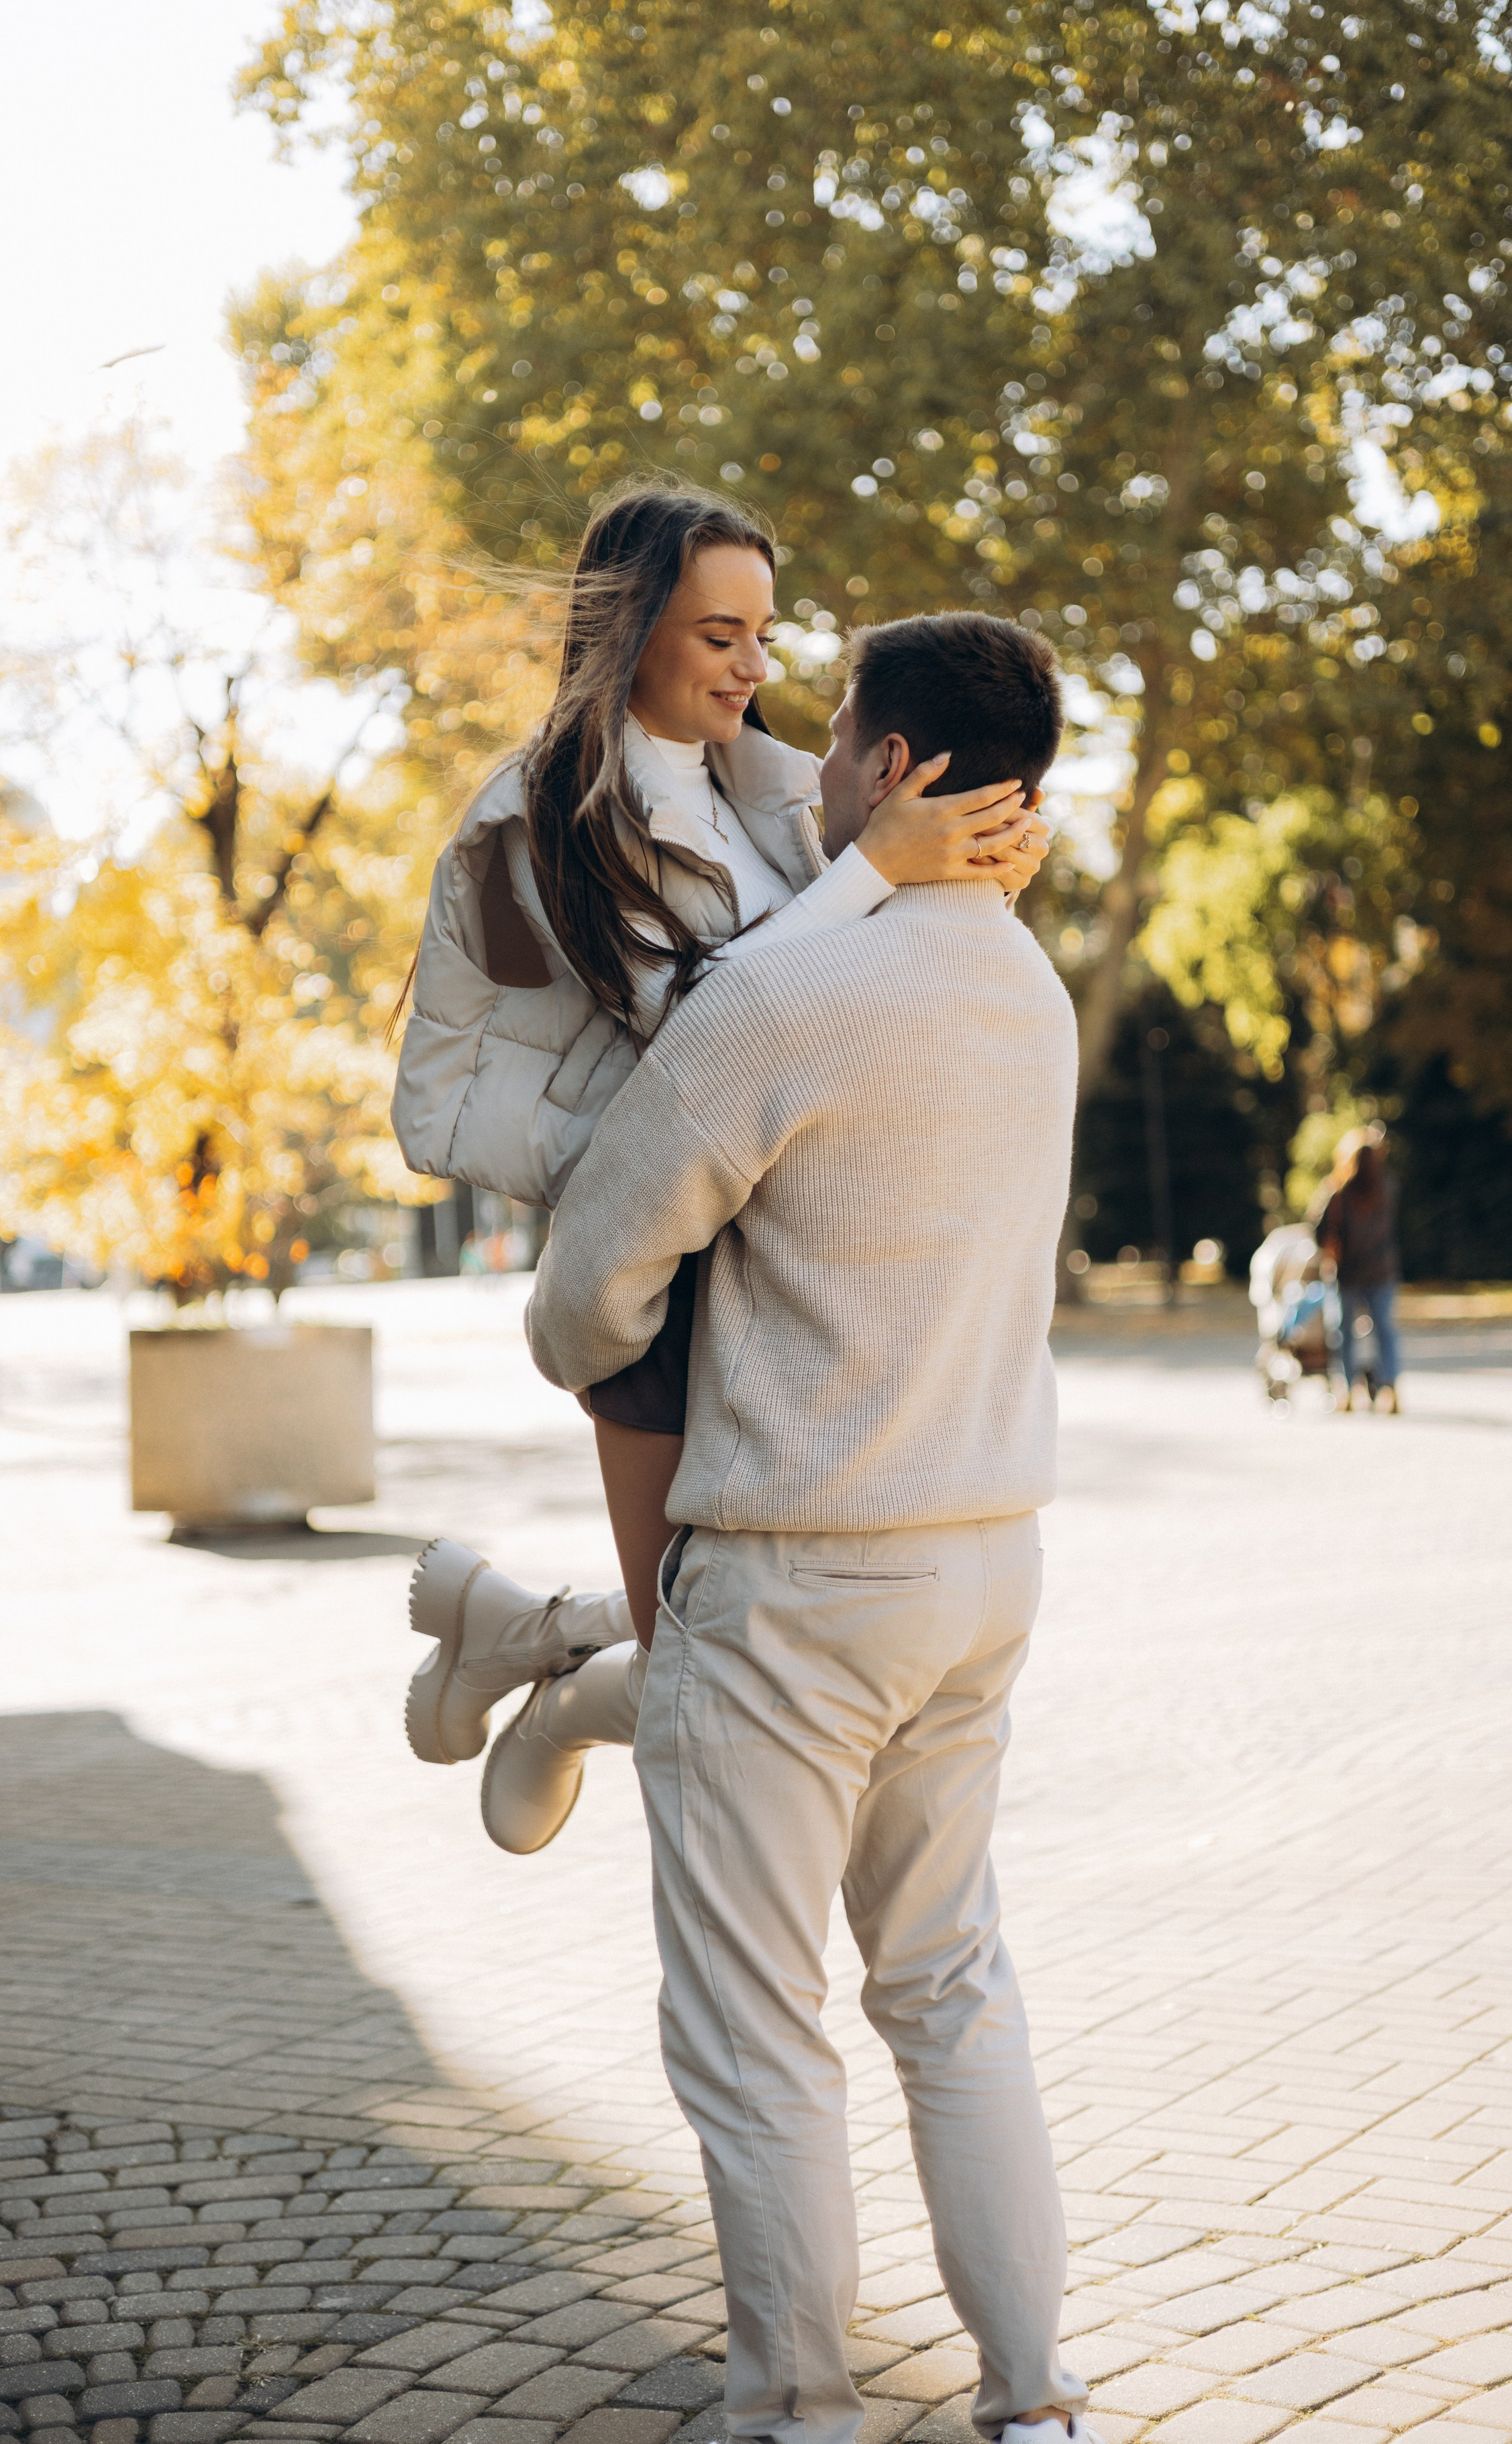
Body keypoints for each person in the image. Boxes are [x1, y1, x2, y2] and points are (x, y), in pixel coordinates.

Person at [527, 609, 1092, 2444]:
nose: (813, 758)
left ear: (903, 766)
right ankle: (1034, 2400)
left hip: (795, 1583)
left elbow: (584, 1292)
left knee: (760, 2037)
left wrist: (634, 1356)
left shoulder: (780, 997)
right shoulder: (1034, 992)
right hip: (987, 1563)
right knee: (951, 1993)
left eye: (837, 732)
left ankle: (796, 2414)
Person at [391, 485, 1046, 1847]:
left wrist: (956, 884)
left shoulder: (764, 791)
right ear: (631, 634)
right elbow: (714, 1027)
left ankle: (527, 1649)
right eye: (718, 636)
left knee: (715, 1637)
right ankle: (546, 1675)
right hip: (653, 1281)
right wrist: (878, 872)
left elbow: (848, 993)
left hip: (767, 1258)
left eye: (763, 632)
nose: (756, 668)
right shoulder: (552, 816)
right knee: (706, 1655)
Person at [1315, 1128, 1402, 1412]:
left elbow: (1319, 1232)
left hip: (1348, 1273)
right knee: (1385, 1331)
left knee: (1344, 1334)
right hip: (1382, 1270)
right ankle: (1388, 1387)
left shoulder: (1338, 1192)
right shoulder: (1387, 1188)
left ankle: (1349, 1389)